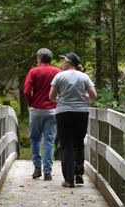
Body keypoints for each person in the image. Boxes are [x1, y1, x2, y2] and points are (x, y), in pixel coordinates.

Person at [49, 52, 96, 187]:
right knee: (78, 143)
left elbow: (51, 96)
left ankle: (69, 180)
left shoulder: (59, 76)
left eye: (64, 61)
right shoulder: (84, 77)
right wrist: (84, 97)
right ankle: (79, 174)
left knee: (66, 146)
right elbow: (93, 95)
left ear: (69, 62)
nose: (62, 63)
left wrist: (60, 100)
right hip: (81, 113)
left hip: (63, 113)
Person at [23, 48, 61, 180]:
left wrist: (31, 103)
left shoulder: (33, 71)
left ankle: (37, 167)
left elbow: (27, 91)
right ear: (50, 59)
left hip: (36, 110)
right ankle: (48, 172)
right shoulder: (57, 72)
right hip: (52, 110)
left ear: (39, 58)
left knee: (35, 139)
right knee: (49, 140)